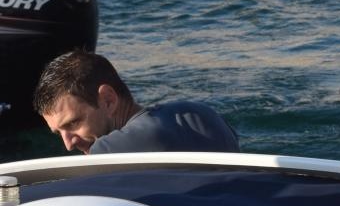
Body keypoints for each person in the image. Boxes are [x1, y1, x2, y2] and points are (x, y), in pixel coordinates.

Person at [34, 49, 238, 155]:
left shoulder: (110, 149)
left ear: (108, 100)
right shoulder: (203, 114)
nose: (68, 144)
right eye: (59, 133)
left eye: (73, 123)